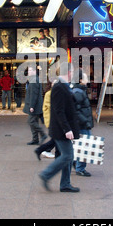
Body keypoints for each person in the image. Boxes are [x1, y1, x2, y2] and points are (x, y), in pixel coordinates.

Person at [38, 62, 80, 192]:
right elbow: (59, 111)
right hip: (61, 130)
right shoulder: (59, 87)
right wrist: (67, 129)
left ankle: (65, 184)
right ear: (67, 72)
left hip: (63, 129)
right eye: (72, 71)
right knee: (67, 155)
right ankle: (46, 174)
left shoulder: (64, 86)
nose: (73, 73)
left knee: (69, 155)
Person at [72, 70, 94, 177]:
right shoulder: (78, 92)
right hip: (82, 124)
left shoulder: (79, 91)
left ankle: (76, 164)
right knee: (85, 146)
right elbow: (76, 110)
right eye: (85, 78)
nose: (87, 80)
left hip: (82, 123)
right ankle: (80, 168)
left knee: (82, 145)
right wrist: (85, 121)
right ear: (80, 80)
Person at [23, 65, 47, 145]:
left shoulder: (34, 80)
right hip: (35, 105)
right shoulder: (35, 79)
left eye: (30, 70)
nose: (28, 72)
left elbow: (34, 94)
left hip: (34, 106)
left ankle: (42, 134)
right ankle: (35, 139)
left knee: (31, 121)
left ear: (34, 71)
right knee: (34, 121)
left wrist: (32, 106)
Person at [34, 82, 57, 160]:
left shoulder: (56, 92)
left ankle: (41, 150)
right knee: (57, 139)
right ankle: (43, 150)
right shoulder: (49, 94)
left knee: (56, 139)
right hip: (52, 120)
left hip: (56, 121)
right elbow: (50, 106)